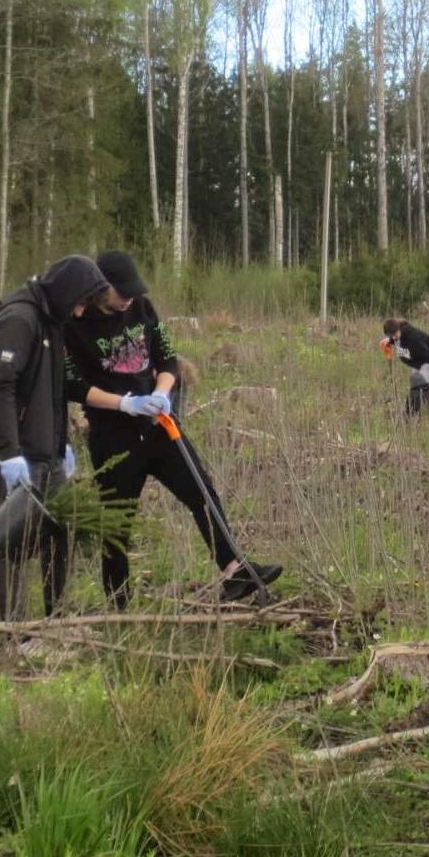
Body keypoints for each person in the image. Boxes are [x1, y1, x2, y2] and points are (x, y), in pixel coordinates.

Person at [64, 251, 281, 608]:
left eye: (133, 291)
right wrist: (124, 403)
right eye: (122, 292)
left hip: (159, 427)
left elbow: (167, 358)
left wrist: (162, 393)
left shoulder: (141, 307)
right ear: (100, 288)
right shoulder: (75, 323)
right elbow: (72, 385)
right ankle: (118, 603)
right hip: (113, 437)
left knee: (201, 491)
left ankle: (234, 571)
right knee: (116, 524)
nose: (129, 298)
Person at [0, 254, 110, 623]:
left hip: (46, 452)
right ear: (66, 291)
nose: (81, 311)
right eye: (80, 302)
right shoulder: (19, 319)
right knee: (16, 541)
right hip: (6, 452)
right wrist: (10, 453)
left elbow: (54, 392)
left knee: (58, 534)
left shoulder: (53, 323)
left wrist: (62, 443)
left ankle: (55, 618)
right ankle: (13, 633)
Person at [382, 317, 429, 419]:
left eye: (394, 335)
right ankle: (412, 415)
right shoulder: (397, 336)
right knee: (416, 387)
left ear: (398, 329)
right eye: (391, 336)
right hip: (420, 363)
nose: (394, 337)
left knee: (425, 388)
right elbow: (398, 341)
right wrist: (389, 341)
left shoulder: (413, 338)